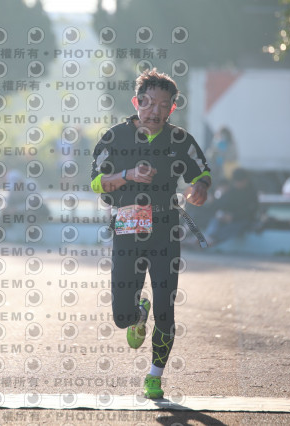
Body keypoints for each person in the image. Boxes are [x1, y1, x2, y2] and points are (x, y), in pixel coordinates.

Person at [90, 69, 211, 399]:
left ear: (172, 108)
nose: (155, 111)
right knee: (121, 316)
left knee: (166, 307)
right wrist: (128, 175)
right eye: (149, 103)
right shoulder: (115, 137)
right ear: (136, 102)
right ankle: (136, 312)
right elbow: (97, 182)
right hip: (128, 227)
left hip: (165, 229)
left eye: (163, 105)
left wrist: (201, 187)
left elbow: (202, 172)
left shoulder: (180, 139)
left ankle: (155, 375)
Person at [204, 168, 259, 246]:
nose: (237, 184)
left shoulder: (251, 193)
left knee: (236, 226)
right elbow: (223, 203)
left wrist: (233, 217)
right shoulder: (233, 190)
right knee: (216, 220)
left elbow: (250, 211)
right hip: (230, 217)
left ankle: (214, 240)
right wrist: (214, 204)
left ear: (245, 181)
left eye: (239, 182)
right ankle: (208, 237)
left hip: (244, 219)